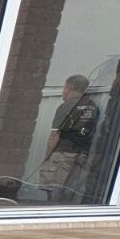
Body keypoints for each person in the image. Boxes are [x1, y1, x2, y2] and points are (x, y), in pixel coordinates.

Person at [41, 74, 101, 204]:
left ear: (70, 88)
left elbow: (55, 135)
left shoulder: (66, 106)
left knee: (53, 188)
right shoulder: (92, 106)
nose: (63, 91)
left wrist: (47, 157)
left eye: (64, 88)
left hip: (63, 153)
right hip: (82, 154)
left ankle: (51, 212)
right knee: (68, 191)